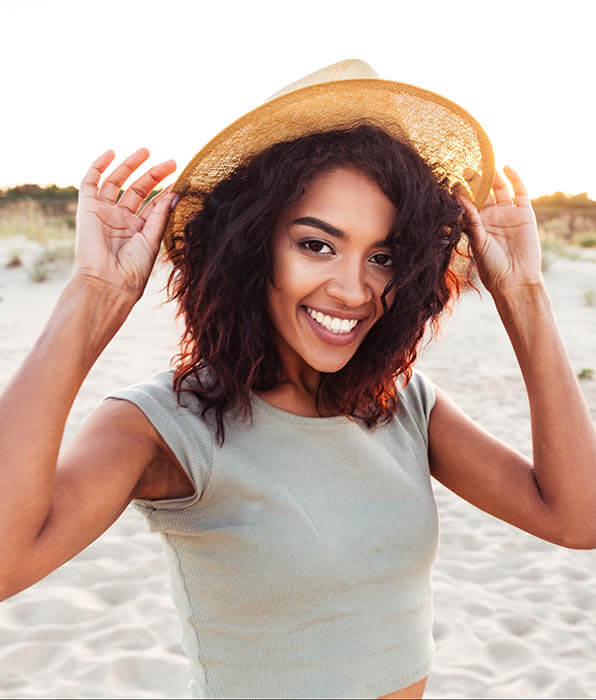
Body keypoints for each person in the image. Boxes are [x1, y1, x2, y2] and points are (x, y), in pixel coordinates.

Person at [1, 59, 595, 700]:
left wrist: (525, 293)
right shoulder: (161, 427)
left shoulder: (402, 405)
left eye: (383, 256)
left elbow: (576, 518)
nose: (352, 289)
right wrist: (93, 296)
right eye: (317, 244)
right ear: (252, 245)